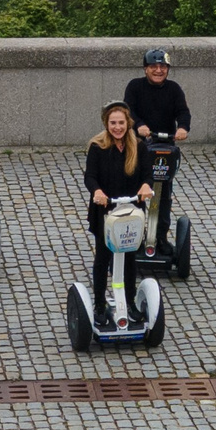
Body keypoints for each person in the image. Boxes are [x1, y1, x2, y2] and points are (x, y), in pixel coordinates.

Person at [83, 101, 157, 324]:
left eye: (121, 123)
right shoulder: (97, 147)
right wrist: (97, 191)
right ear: (106, 124)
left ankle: (130, 302)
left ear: (128, 123)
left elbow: (147, 174)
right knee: (103, 257)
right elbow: (90, 176)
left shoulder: (139, 146)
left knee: (130, 256)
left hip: (131, 210)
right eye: (113, 123)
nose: (117, 127)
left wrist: (146, 186)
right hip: (105, 211)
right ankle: (98, 304)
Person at [121, 48, 192, 254]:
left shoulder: (174, 89)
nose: (159, 70)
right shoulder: (135, 87)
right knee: (137, 194)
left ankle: (159, 238)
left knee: (163, 195)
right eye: (154, 66)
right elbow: (128, 111)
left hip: (165, 148)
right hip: (138, 147)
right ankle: (134, 237)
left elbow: (183, 112)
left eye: (163, 67)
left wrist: (182, 128)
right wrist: (139, 125)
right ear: (145, 68)